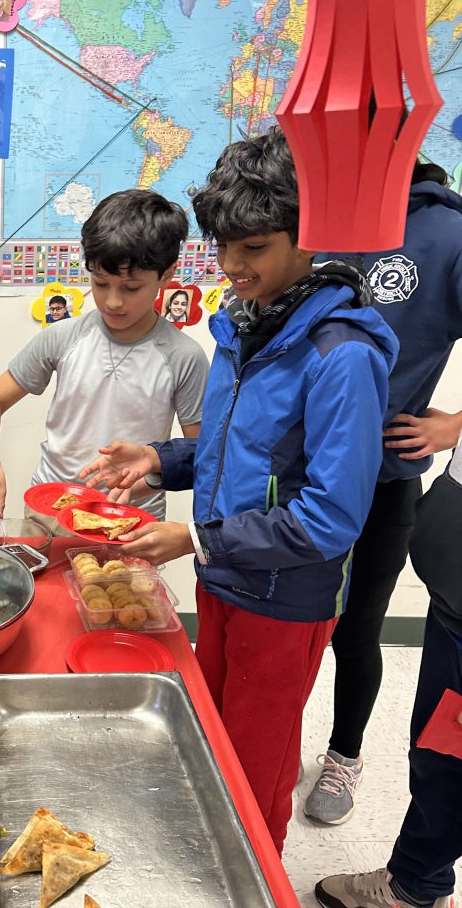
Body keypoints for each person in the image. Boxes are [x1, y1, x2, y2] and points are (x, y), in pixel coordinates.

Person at [80, 128, 398, 853]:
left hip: (284, 602)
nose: (230, 267)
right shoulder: (246, 327)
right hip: (223, 579)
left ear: (308, 236)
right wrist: (158, 459)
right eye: (222, 246)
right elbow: (241, 454)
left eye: (252, 249)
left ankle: (252, 876)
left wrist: (193, 535)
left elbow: (330, 516)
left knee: (256, 773)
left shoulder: (340, 354)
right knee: (215, 739)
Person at [304, 160, 462, 825]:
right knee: (293, 623)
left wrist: (452, 423)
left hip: (384, 481)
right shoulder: (318, 217)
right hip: (302, 472)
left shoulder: (447, 234)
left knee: (357, 627)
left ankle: (345, 754)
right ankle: (276, 741)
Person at [0, 188, 209, 525]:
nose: (112, 301)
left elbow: (201, 452)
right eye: (100, 282)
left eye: (131, 288)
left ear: (167, 274)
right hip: (51, 509)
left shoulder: (184, 357)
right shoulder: (64, 336)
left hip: (130, 519)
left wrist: (143, 484)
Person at [315, 442, 462, 908]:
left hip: (394, 501)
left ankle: (414, 888)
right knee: (437, 750)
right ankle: (418, 880)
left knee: (448, 755)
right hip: (453, 600)